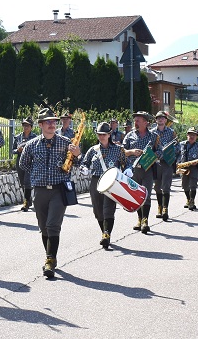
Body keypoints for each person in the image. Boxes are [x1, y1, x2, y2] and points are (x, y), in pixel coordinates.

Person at [17, 108, 82, 279]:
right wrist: (37, 173)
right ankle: (49, 254)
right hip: (39, 190)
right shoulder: (31, 145)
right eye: (48, 122)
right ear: (40, 125)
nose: (52, 124)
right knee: (43, 226)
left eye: (54, 121)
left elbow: (77, 163)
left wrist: (77, 154)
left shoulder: (65, 142)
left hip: (58, 190)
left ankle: (50, 259)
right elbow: (23, 164)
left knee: (53, 225)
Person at [80, 121, 128, 249]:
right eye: (99, 134)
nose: (101, 137)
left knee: (108, 209)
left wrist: (128, 170)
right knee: (98, 210)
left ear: (109, 134)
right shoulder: (93, 150)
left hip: (112, 182)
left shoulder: (118, 149)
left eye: (104, 134)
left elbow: (125, 163)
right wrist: (84, 168)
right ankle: (104, 232)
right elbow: (84, 162)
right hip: (96, 180)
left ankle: (107, 234)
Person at [122, 110, 158, 232]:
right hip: (133, 170)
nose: (135, 122)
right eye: (135, 120)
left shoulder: (153, 136)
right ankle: (139, 218)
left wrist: (151, 156)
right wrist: (132, 152)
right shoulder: (129, 135)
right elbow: (122, 152)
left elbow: (160, 151)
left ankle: (145, 220)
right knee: (136, 195)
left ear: (145, 122)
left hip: (147, 169)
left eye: (138, 120)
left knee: (146, 194)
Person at [152, 111, 178, 221]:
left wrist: (171, 153)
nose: (161, 120)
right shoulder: (152, 132)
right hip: (156, 162)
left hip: (167, 163)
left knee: (166, 186)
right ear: (156, 120)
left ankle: (165, 209)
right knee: (157, 187)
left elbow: (177, 146)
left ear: (166, 120)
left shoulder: (171, 132)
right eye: (159, 118)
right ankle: (159, 207)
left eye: (163, 118)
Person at [176, 128, 198, 210]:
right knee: (185, 185)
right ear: (187, 135)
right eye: (190, 134)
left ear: (196, 137)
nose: (192, 136)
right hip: (183, 167)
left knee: (193, 185)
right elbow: (177, 154)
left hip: (193, 167)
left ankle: (192, 201)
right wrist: (177, 163)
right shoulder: (181, 144)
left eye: (194, 135)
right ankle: (188, 199)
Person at [13, 117, 36, 211]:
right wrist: (17, 150)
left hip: (30, 161)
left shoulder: (35, 138)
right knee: (22, 181)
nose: (25, 127)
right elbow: (12, 150)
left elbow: (36, 150)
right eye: (24, 125)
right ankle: (29, 200)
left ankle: (26, 202)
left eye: (27, 125)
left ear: (31, 127)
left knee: (27, 181)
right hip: (20, 160)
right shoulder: (18, 137)